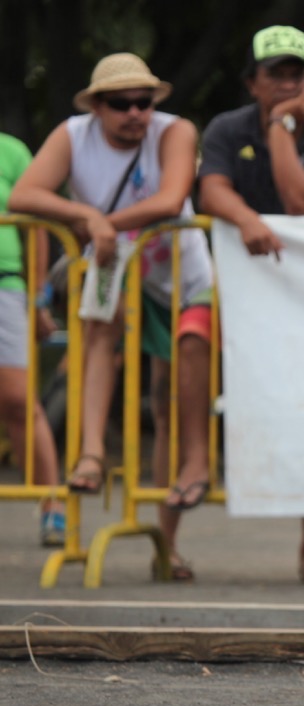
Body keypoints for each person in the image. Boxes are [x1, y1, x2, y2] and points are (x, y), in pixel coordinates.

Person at [10, 53, 216, 581]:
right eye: (122, 103)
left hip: (179, 277)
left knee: (169, 395)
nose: (135, 113)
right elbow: (23, 194)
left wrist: (102, 225)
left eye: (144, 102)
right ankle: (92, 456)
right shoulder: (73, 135)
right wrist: (85, 217)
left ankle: (169, 537)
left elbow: (172, 198)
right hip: (116, 266)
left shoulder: (175, 131)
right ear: (97, 106)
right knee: (97, 335)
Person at [198, 25, 304, 585]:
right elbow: (210, 190)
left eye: (299, 73)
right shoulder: (223, 128)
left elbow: (300, 201)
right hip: (234, 289)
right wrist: (246, 220)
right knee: (191, 341)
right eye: (277, 73)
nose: (289, 82)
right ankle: (185, 491)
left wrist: (280, 129)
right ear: (252, 81)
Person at [0, 132, 63, 546]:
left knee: (19, 399)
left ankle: (52, 505)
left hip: (6, 283)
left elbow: (37, 226)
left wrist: (39, 298)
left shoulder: (11, 149)